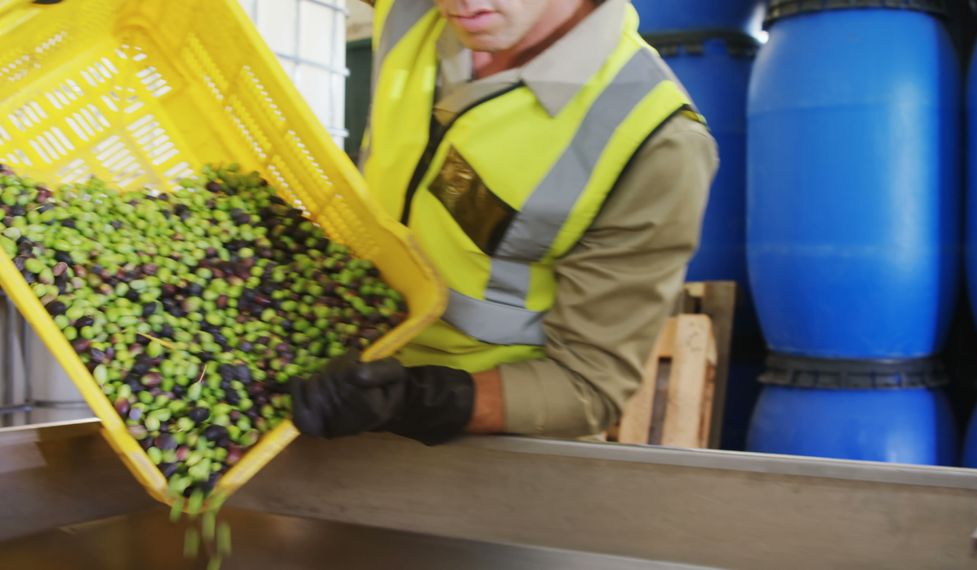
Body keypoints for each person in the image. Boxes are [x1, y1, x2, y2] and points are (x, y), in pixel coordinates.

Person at [289, 0, 719, 445]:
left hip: (485, 449)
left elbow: (588, 388)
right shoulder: (414, 9)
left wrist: (415, 400)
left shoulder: (655, 142)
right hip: (328, 379)